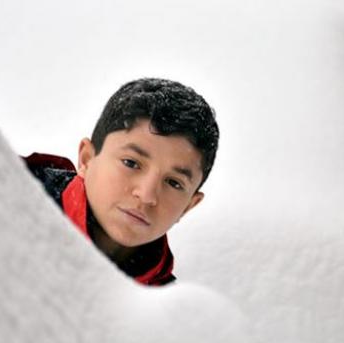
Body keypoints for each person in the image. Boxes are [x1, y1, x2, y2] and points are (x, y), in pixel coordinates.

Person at [25, 78, 219, 286]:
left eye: (173, 183)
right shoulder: (8, 199)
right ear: (86, 159)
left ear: (189, 205)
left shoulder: (164, 309)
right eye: (131, 163)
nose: (146, 195)